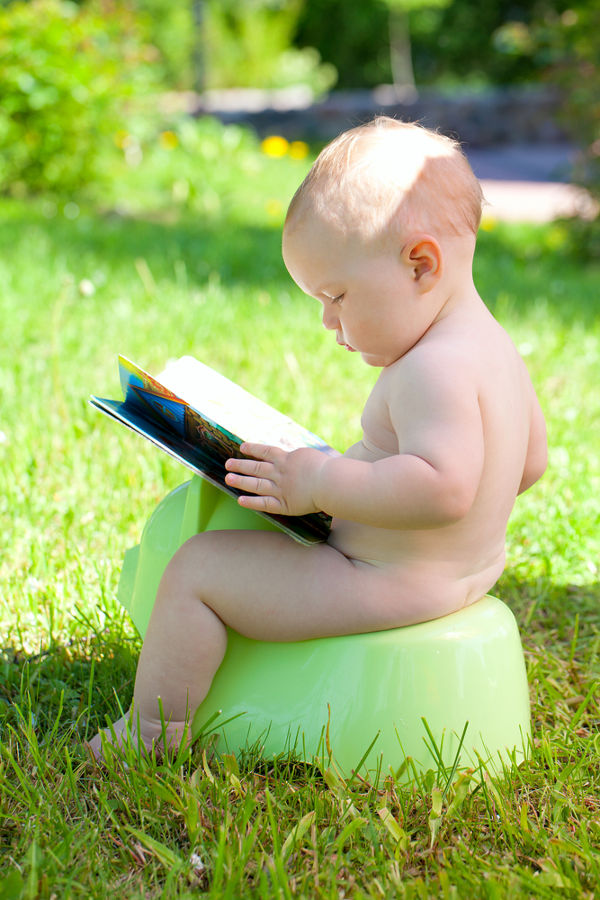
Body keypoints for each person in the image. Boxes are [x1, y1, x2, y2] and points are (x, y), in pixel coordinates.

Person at [88, 116, 547, 760]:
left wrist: (321, 481)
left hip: (384, 580)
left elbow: (443, 489)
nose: (329, 322)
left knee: (198, 571)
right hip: (461, 574)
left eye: (336, 296)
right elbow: (530, 461)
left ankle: (153, 732)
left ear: (421, 265)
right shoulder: (491, 347)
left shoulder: (429, 369)